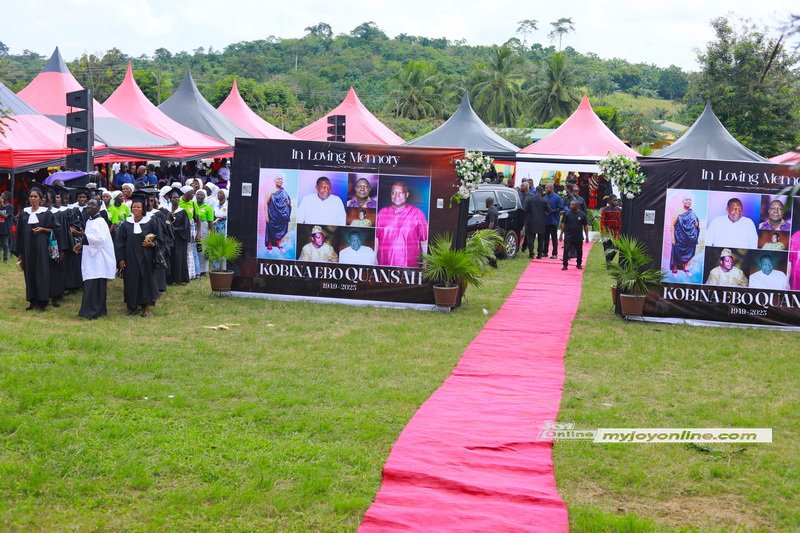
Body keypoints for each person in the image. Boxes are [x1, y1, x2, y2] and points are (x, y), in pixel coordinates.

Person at [114, 195, 160, 316]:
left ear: (143, 208)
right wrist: (121, 259)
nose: (136, 209)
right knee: (131, 281)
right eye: (134, 207)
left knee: (146, 281)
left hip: (146, 257)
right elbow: (119, 243)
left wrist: (153, 244)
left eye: (138, 207)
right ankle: (132, 306)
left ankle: (145, 307)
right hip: (130, 258)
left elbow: (160, 238)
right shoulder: (126, 224)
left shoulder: (150, 222)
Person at [13, 187, 57, 311]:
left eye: (35, 196)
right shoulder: (24, 213)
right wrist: (20, 251)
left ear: (41, 199)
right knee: (29, 273)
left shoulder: (46, 213)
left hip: (41, 248)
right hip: (27, 248)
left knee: (41, 273)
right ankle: (32, 300)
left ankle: (42, 302)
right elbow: (19, 233)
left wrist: (42, 229)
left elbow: (54, 229)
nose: (33, 198)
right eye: (31, 196)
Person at [74, 199, 116, 319]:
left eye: (92, 204)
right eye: (89, 204)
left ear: (99, 207)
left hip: (99, 258)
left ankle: (95, 311)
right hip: (90, 256)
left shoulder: (101, 221)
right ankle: (87, 310)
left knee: (96, 283)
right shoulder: (89, 221)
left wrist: (82, 236)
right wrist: (81, 244)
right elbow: (89, 238)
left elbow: (99, 239)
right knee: (89, 282)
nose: (89, 206)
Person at [376, 182, 428, 267]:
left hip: (410, 267)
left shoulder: (417, 214)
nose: (396, 196)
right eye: (393, 193)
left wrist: (425, 263)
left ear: (406, 194)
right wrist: (374, 258)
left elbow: (424, 241)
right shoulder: (382, 213)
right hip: (385, 265)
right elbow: (376, 239)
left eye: (400, 193)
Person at [670, 194, 700, 274]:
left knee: (687, 254)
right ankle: (675, 268)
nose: (688, 201)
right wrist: (673, 237)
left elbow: (696, 224)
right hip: (679, 237)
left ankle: (685, 268)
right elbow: (672, 224)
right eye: (686, 200)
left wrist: (697, 225)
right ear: (683, 201)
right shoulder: (678, 212)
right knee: (677, 253)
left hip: (689, 239)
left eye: (690, 200)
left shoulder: (692, 213)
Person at [559, 200, 589, 270]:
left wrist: (587, 236)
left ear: (577, 206)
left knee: (579, 251)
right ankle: (565, 265)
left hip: (578, 236)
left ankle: (579, 264)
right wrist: (561, 234)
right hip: (568, 235)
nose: (570, 206)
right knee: (566, 250)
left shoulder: (582, 214)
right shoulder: (567, 214)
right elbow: (564, 224)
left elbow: (585, 226)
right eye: (570, 204)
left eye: (572, 205)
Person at [264, 175, 291, 251]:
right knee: (270, 230)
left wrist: (288, 203)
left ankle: (279, 245)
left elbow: (288, 201)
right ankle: (269, 246)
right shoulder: (271, 191)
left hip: (282, 216)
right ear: (275, 181)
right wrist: (266, 215)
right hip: (272, 215)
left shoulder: (284, 191)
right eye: (278, 179)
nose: (280, 180)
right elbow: (265, 203)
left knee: (281, 230)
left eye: (281, 179)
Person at [523, 186, 550, 259]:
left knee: (531, 238)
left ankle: (531, 254)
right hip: (541, 221)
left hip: (531, 221)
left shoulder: (530, 199)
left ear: (536, 191)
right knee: (541, 239)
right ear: (542, 191)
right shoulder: (544, 200)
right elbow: (549, 210)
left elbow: (525, 210)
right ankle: (539, 254)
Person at [195, 189, 215, 275]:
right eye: (198, 194)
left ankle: (204, 269)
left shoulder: (208, 207)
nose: (199, 196)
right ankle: (197, 269)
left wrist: (212, 234)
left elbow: (210, 222)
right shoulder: (194, 205)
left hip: (204, 228)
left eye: (201, 195)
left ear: (205, 196)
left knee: (203, 249)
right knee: (196, 248)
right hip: (195, 226)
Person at [600, 194, 622, 265]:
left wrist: (620, 231)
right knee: (607, 248)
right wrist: (603, 233)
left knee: (615, 248)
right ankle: (608, 263)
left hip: (616, 233)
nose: (616, 202)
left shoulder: (619, 210)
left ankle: (609, 260)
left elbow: (620, 221)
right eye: (614, 200)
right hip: (607, 233)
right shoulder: (605, 209)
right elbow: (602, 222)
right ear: (610, 201)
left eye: (616, 200)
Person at [543, 184, 563, 259]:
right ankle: (545, 252)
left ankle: (554, 253)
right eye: (545, 188)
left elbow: (560, 208)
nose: (545, 189)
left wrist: (551, 211)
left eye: (547, 188)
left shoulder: (557, 197)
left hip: (554, 220)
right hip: (546, 220)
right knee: (546, 237)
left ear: (551, 188)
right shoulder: (544, 197)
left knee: (554, 237)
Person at [0, 191, 13, 262]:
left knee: (5, 244)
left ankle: (5, 259)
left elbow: (5, 216)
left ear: (7, 198)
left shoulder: (10, 206)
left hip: (5, 228)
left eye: (2, 196)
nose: (1, 197)